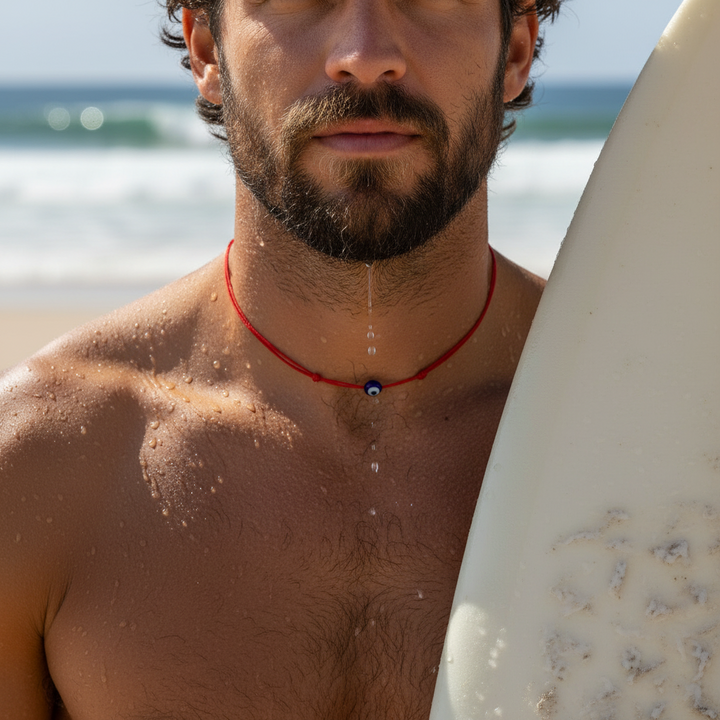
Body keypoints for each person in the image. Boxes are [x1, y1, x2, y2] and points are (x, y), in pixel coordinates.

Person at [0, 0, 563, 715]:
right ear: (208, 46)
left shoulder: (662, 433)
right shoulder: (39, 466)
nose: (364, 53)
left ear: (514, 50)